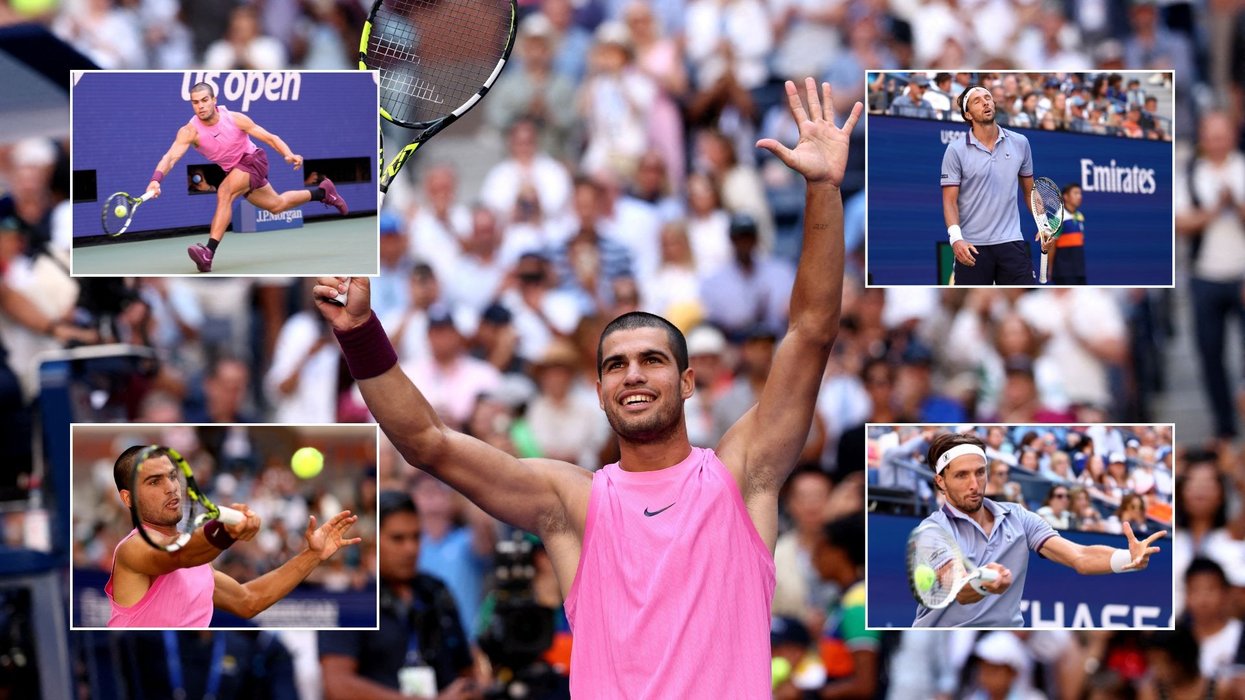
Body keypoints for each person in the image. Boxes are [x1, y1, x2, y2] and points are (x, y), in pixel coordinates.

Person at [313, 78, 860, 697]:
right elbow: (427, 442)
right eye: (616, 365)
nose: (632, 374)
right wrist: (359, 332)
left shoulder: (742, 473)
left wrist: (822, 190)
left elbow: (811, 330)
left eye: (652, 360)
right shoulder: (570, 502)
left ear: (686, 382)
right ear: (599, 391)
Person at [912, 432, 1166, 627]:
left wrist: (1127, 557)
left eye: (980, 472)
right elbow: (958, 590)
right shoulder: (932, 532)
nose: (974, 484)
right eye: (961, 476)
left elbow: (1080, 557)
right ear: (940, 482)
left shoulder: (1018, 516)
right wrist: (985, 580)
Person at [105, 446, 361, 627]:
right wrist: (224, 531)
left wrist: (313, 555)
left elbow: (249, 601)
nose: (170, 487)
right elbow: (180, 553)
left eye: (172, 476)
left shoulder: (199, 566)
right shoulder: (133, 548)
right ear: (127, 498)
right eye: (154, 482)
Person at [144, 81, 348, 273]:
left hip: (252, 160)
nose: (201, 106)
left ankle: (208, 253)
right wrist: (156, 180)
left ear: (214, 100)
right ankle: (323, 192)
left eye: (205, 100)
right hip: (235, 170)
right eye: (195, 102)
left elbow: (270, 137)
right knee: (276, 205)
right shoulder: (189, 131)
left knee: (224, 192)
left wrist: (288, 153)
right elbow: (170, 158)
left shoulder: (234, 118)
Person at [319, 491, 480, 700]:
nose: (411, 549)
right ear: (374, 542)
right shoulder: (351, 599)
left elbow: (466, 671)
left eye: (416, 537)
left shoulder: (437, 591)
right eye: (398, 539)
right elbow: (337, 686)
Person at [942, 85, 1036, 285]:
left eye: (988, 97)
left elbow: (1030, 193)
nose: (985, 102)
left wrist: (1043, 222)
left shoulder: (1021, 142)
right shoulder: (955, 150)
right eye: (977, 100)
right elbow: (950, 202)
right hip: (972, 247)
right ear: (968, 114)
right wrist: (956, 238)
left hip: (1011, 242)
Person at [1046, 183, 1087, 284]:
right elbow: (1051, 245)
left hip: (1079, 271)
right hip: (1063, 272)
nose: (1079, 196)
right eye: (1075, 193)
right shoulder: (1058, 217)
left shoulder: (1080, 216)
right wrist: (1050, 268)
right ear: (1066, 196)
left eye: (1080, 193)